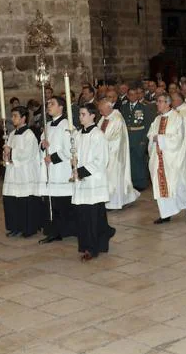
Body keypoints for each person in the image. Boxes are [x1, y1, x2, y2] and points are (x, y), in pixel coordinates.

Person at [72, 103, 116, 261]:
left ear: (92, 116)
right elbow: (75, 153)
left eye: (83, 114)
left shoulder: (98, 135)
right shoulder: (78, 135)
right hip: (82, 181)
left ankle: (92, 248)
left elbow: (101, 159)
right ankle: (94, 242)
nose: (80, 117)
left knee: (93, 216)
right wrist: (74, 162)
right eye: (79, 114)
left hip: (93, 181)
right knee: (84, 215)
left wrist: (82, 171)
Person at [148, 94, 186, 224]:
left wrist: (159, 138)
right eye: (157, 101)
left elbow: (178, 138)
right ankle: (166, 214)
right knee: (160, 185)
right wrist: (154, 137)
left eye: (160, 102)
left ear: (167, 103)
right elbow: (151, 133)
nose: (157, 104)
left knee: (176, 185)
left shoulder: (177, 118)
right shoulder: (157, 119)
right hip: (158, 158)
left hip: (172, 158)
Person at [38, 97, 75, 244]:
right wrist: (42, 145)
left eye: (52, 104)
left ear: (61, 107)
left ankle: (65, 230)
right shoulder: (47, 125)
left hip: (61, 169)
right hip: (49, 170)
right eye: (47, 104)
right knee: (51, 202)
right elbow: (41, 144)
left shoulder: (67, 125)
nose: (48, 106)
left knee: (62, 202)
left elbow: (69, 149)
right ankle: (54, 230)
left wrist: (52, 158)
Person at [2, 106, 43, 238]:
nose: (12, 118)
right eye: (12, 115)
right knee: (12, 200)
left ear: (23, 118)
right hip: (13, 172)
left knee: (24, 201)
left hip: (25, 173)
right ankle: (15, 226)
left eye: (15, 116)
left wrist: (11, 152)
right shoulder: (13, 134)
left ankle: (27, 228)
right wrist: (6, 154)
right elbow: (8, 151)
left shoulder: (29, 135)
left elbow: (27, 154)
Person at [98, 97, 140, 210]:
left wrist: (98, 143)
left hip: (115, 155)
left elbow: (109, 137)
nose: (100, 112)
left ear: (108, 107)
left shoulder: (116, 119)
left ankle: (114, 202)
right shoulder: (104, 118)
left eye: (101, 109)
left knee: (114, 178)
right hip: (105, 153)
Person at [120, 88, 152, 191]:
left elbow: (147, 125)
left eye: (135, 94)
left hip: (139, 138)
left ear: (137, 96)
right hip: (127, 137)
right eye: (130, 95)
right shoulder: (124, 107)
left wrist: (144, 140)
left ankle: (141, 183)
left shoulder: (143, 107)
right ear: (128, 96)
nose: (132, 96)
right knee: (130, 161)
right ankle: (132, 182)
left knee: (140, 161)